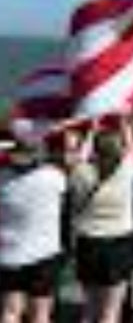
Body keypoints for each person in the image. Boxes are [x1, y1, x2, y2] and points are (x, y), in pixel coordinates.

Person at [70, 115, 133, 323]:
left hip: (88, 243)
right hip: (118, 244)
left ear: (95, 151)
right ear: (118, 150)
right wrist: (124, 123)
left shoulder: (81, 173)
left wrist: (92, 131)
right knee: (110, 311)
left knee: (89, 308)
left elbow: (80, 157)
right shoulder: (126, 172)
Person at [0, 124, 66, 323]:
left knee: (10, 311)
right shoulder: (54, 177)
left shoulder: (3, 178)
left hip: (9, 253)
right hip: (43, 254)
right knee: (40, 315)